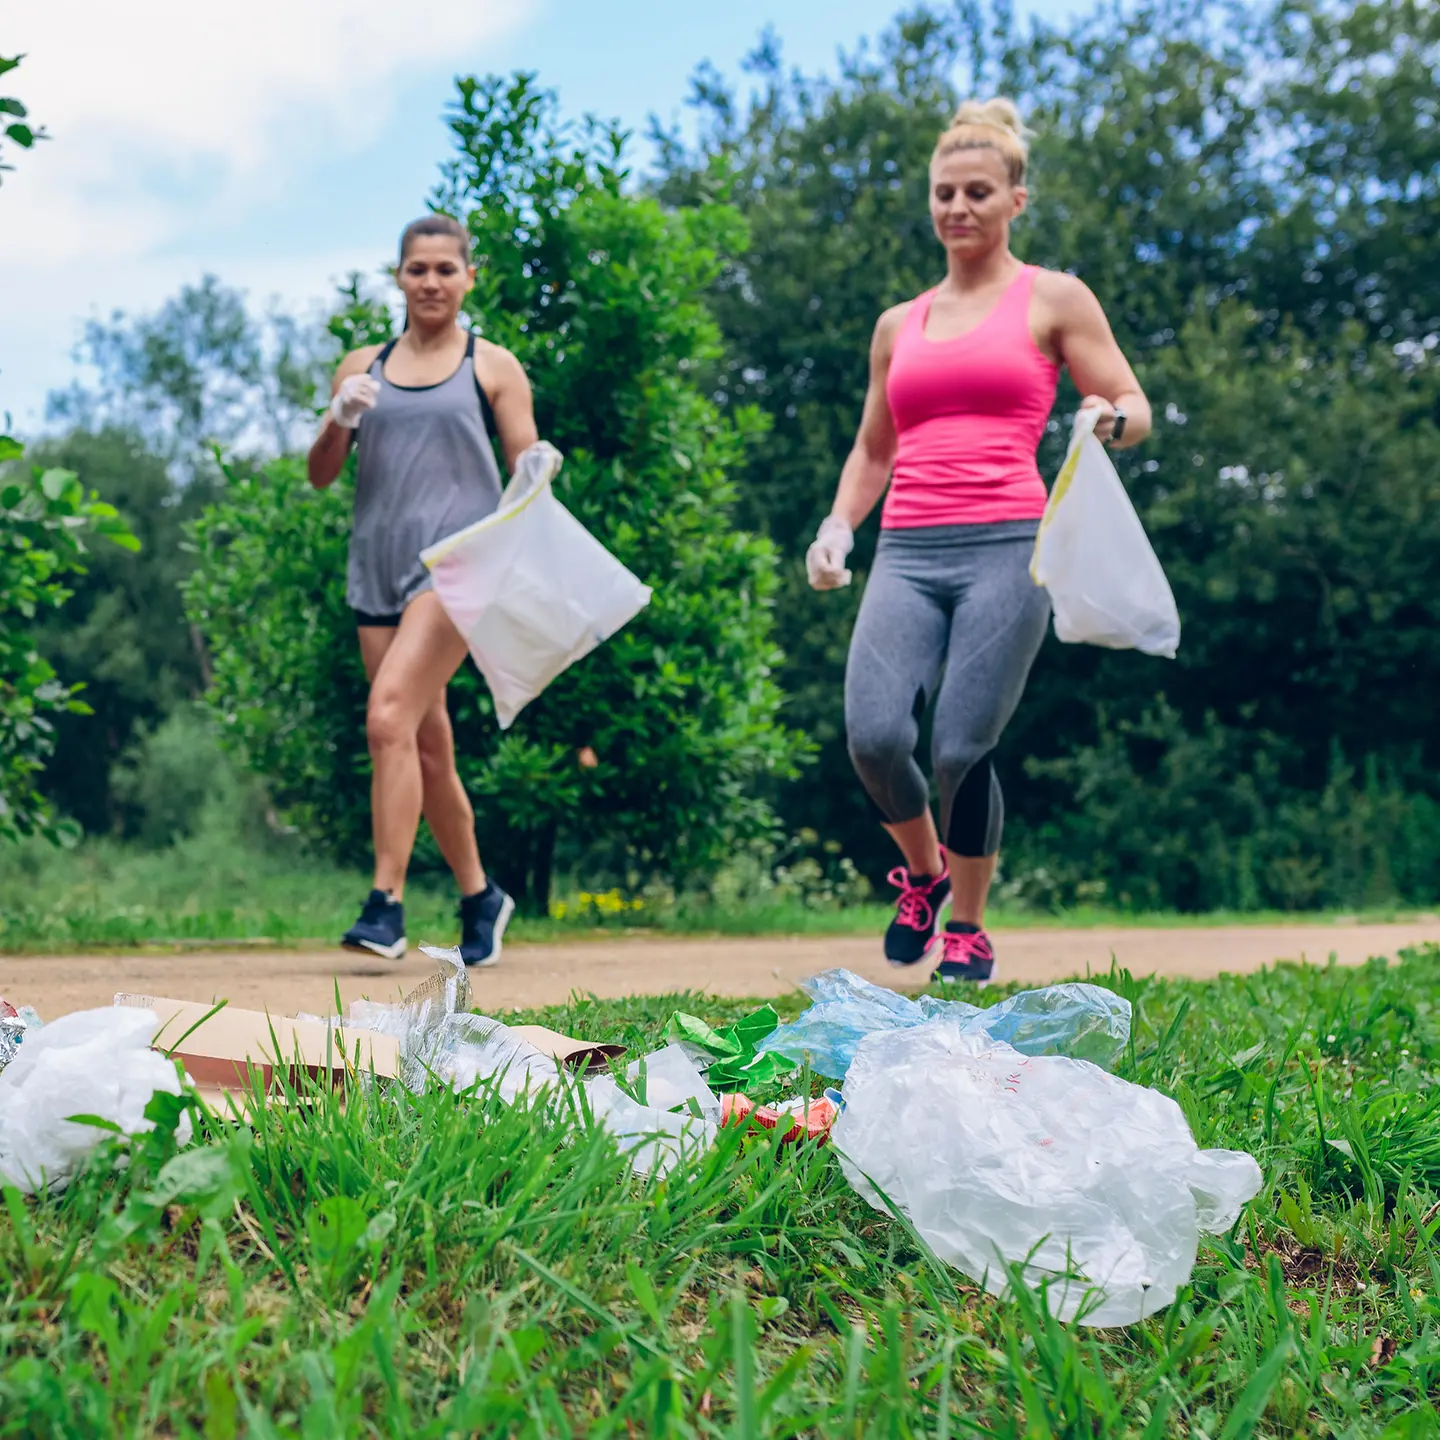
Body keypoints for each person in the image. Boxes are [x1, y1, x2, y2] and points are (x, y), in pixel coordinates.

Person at [805, 99, 1152, 985]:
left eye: (977, 192)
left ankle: (967, 922)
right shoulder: (899, 324)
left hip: (1008, 546)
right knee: (876, 736)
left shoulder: (1054, 298)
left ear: (1015, 201)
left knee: (961, 748)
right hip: (909, 552)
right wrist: (839, 524)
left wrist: (1109, 419)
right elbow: (874, 446)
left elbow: (1134, 404)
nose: (957, 207)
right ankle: (921, 875)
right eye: (943, 193)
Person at [307, 214, 539, 966]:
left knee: (386, 719)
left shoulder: (492, 366)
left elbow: (527, 468)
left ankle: (386, 904)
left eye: (446, 269)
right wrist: (338, 419)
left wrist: (538, 469)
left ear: (471, 277)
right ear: (399, 277)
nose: (431, 282)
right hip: (375, 570)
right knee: (424, 743)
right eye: (418, 269)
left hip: (454, 574)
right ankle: (480, 895)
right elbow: (318, 473)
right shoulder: (362, 365)